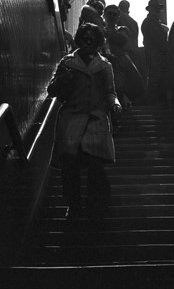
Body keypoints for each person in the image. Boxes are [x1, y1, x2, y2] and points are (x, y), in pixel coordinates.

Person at [47, 23, 122, 224]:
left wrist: (114, 104)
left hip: (95, 119)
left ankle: (95, 206)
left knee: (95, 166)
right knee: (70, 167)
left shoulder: (105, 65)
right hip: (72, 118)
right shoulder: (67, 62)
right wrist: (63, 80)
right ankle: (73, 205)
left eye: (92, 39)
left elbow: (110, 91)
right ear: (80, 40)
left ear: (98, 42)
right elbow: (52, 90)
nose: (88, 42)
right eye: (85, 38)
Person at [104, 5, 145, 109]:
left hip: (120, 64)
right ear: (104, 15)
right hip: (104, 64)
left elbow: (123, 39)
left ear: (118, 17)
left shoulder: (123, 29)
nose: (112, 16)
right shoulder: (100, 30)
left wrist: (108, 32)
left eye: (115, 14)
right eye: (109, 13)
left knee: (121, 86)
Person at [141, 0, 169, 105]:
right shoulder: (149, 22)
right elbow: (158, 39)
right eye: (156, 8)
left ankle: (154, 101)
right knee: (155, 77)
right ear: (150, 9)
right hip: (154, 53)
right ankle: (153, 102)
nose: (158, 10)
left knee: (156, 76)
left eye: (158, 8)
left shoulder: (152, 22)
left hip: (156, 53)